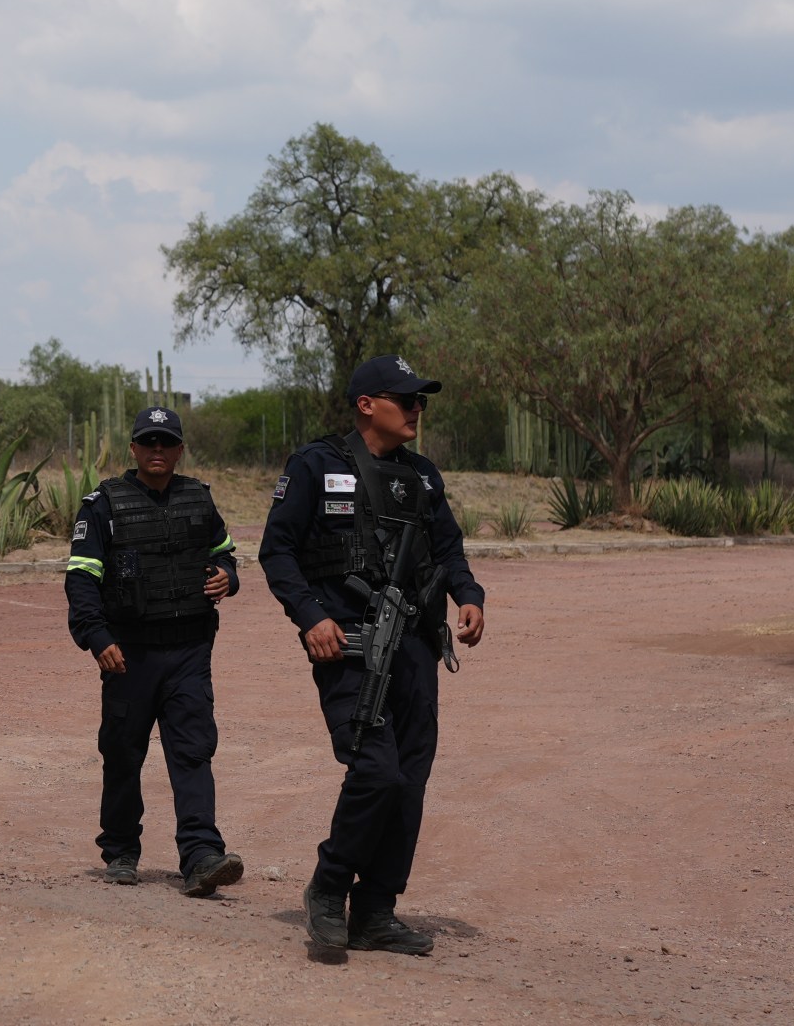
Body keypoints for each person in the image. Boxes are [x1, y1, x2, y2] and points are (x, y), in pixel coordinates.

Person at [258, 355, 486, 955]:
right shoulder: (316, 465)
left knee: (408, 783)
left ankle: (376, 911)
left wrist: (469, 596)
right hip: (350, 647)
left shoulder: (423, 476)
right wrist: (311, 616)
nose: (416, 410)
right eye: (406, 399)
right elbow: (276, 551)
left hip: (416, 649)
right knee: (376, 772)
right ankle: (329, 888)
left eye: (420, 401)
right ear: (366, 405)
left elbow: (449, 549)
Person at [66, 405, 246, 897]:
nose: (157, 450)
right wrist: (97, 638)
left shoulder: (199, 498)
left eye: (166, 442)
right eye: (148, 442)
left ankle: (202, 855)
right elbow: (81, 579)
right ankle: (121, 851)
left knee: (193, 751)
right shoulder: (102, 505)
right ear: (134, 448)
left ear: (180, 449)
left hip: (189, 652)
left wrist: (228, 577)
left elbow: (224, 554)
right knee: (123, 754)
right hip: (129, 655)